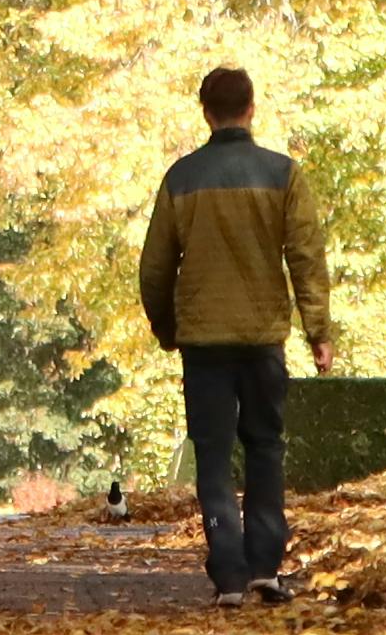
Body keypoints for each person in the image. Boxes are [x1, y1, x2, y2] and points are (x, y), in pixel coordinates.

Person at [135, 63, 337, 602]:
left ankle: (227, 574)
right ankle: (265, 567)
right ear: (251, 109)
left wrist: (167, 328)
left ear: (206, 112)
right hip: (263, 338)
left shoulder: (181, 179)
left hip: (204, 344)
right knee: (266, 447)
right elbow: (306, 257)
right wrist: (318, 329)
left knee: (214, 456)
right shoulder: (283, 174)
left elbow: (155, 268)